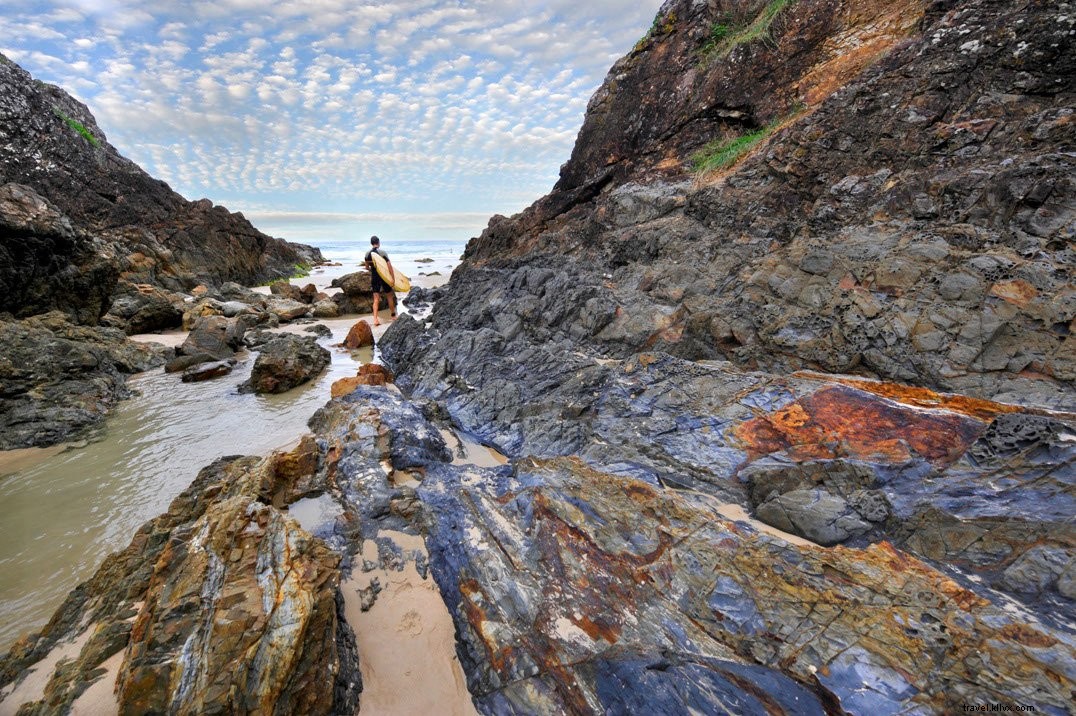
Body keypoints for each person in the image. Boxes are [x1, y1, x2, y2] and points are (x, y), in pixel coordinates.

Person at [364, 235, 397, 326]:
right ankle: (393, 316)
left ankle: (375, 319)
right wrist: (393, 279)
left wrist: (372, 270)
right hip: (384, 277)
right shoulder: (382, 252)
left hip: (375, 276)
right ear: (378, 242)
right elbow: (389, 266)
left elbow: (366, 267)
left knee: (376, 299)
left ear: (371, 243)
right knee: (389, 296)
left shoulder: (367, 254)